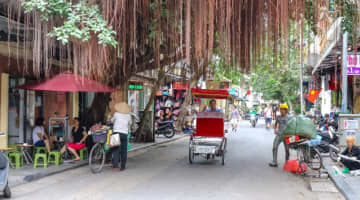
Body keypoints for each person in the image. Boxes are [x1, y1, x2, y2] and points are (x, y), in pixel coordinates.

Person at [111, 102, 132, 171]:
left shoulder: (116, 114)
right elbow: (130, 123)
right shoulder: (128, 116)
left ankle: (115, 166)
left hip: (116, 133)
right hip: (124, 134)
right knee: (124, 150)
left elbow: (112, 121)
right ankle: (123, 166)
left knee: (115, 150)